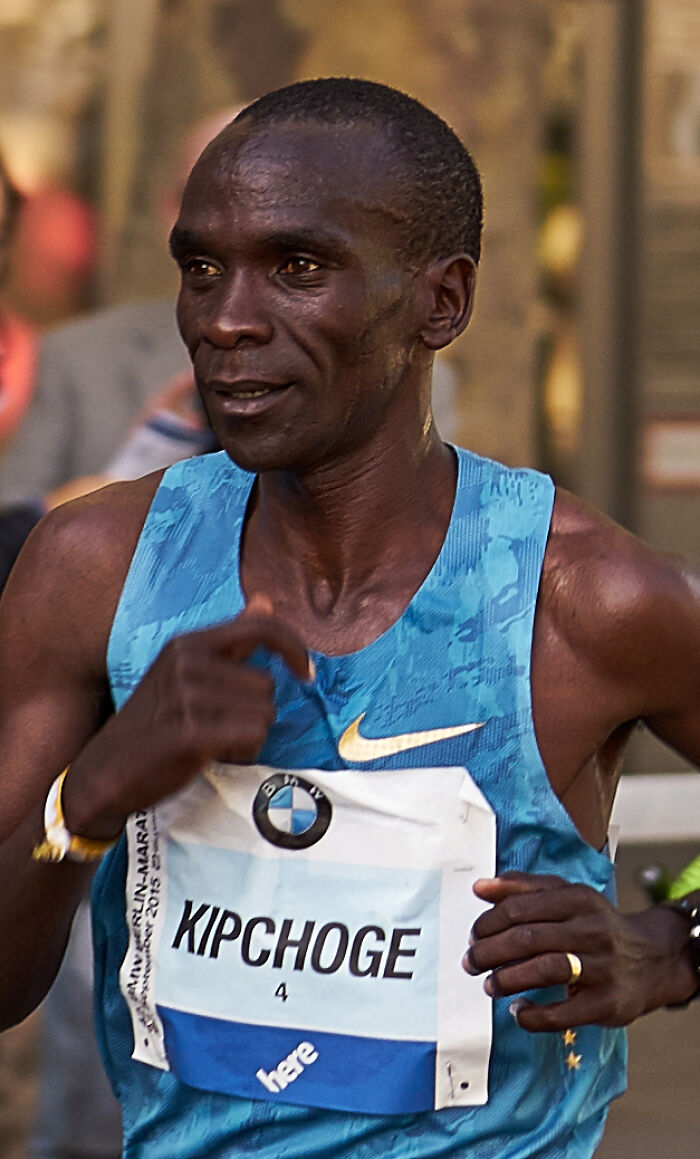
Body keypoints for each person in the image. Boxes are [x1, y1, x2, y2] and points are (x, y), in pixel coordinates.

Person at [0, 78, 697, 1159]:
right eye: (201, 267)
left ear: (441, 301)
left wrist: (669, 940)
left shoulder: (587, 597)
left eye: (298, 266)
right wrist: (88, 798)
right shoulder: (95, 568)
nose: (226, 318)